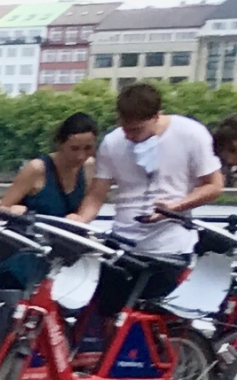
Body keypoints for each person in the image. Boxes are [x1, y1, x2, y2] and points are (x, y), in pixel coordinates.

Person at [83, 81, 225, 305]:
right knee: (105, 314)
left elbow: (214, 185)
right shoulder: (112, 142)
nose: (130, 135)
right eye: (125, 128)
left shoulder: (190, 133)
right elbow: (96, 195)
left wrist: (175, 207)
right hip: (122, 242)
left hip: (170, 246)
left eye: (137, 130)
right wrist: (79, 221)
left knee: (153, 319)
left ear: (157, 116)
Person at [0, 110, 100, 299]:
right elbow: (0, 210)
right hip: (22, 262)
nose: (81, 156)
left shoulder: (89, 167)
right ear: (60, 143)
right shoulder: (37, 169)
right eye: (74, 148)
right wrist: (13, 211)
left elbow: (89, 206)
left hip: (60, 264)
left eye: (88, 148)